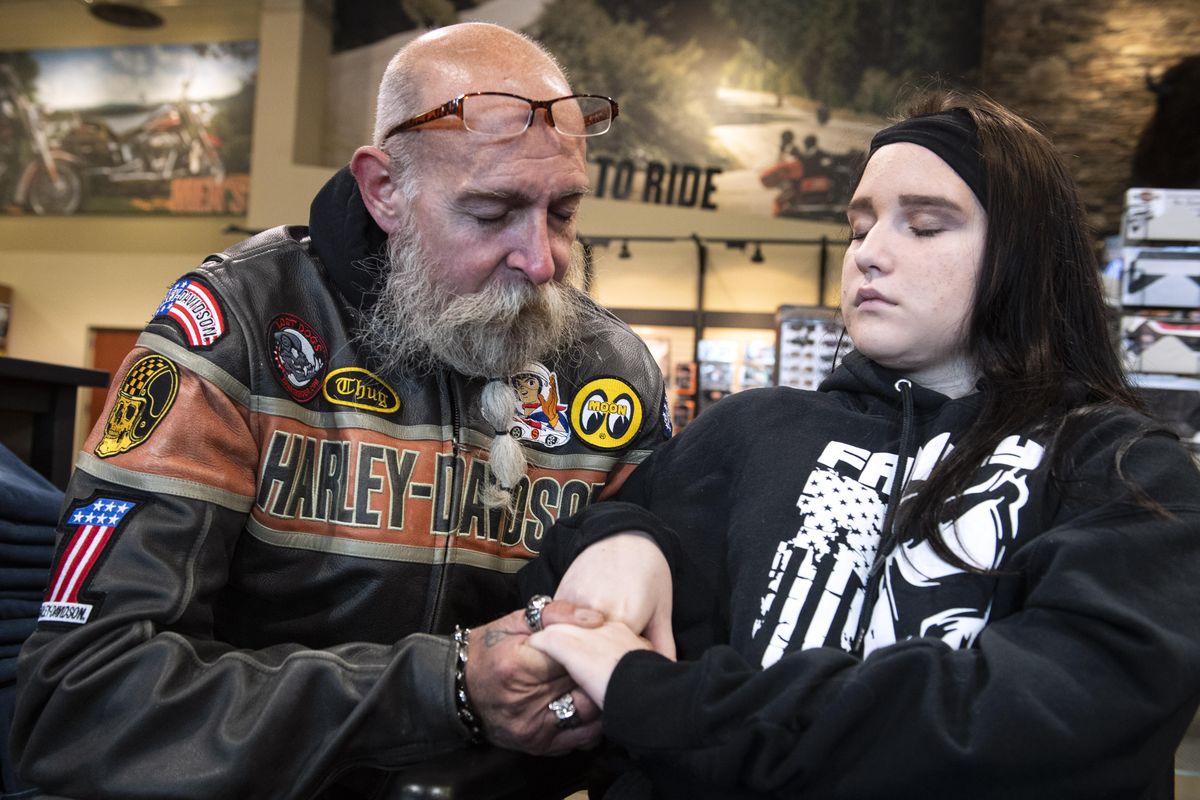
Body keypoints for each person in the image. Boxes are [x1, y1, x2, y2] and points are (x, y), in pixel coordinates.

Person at [11, 22, 670, 799]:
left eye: (563, 211)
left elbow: (657, 692)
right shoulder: (237, 330)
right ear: (384, 189)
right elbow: (81, 702)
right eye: (492, 214)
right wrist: (444, 688)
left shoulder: (610, 376)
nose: (543, 261)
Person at [522, 90, 1200, 798]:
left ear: (1023, 253)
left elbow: (1047, 723)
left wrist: (667, 700)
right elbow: (554, 598)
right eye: (859, 227)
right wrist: (621, 536)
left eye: (926, 226)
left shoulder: (1121, 469)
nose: (869, 255)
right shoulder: (749, 430)